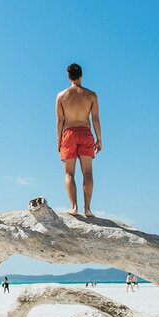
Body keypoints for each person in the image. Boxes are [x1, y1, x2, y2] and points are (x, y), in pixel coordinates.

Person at [55, 63, 102, 217]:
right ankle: (87, 209)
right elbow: (95, 119)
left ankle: (74, 207)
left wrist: (58, 141)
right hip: (86, 132)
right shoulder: (91, 95)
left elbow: (59, 120)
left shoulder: (61, 96)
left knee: (69, 173)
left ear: (68, 77)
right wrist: (99, 139)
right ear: (81, 76)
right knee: (87, 172)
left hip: (68, 133)